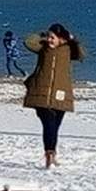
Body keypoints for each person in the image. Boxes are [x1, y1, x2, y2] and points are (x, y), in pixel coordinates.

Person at [22, 24, 85, 167]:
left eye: (53, 38)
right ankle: (49, 153)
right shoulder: (42, 48)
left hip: (60, 93)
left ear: (61, 39)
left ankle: (52, 153)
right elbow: (28, 41)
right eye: (49, 37)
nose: (50, 40)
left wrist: (72, 40)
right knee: (48, 122)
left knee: (55, 125)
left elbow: (81, 54)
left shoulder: (68, 50)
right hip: (41, 93)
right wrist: (43, 36)